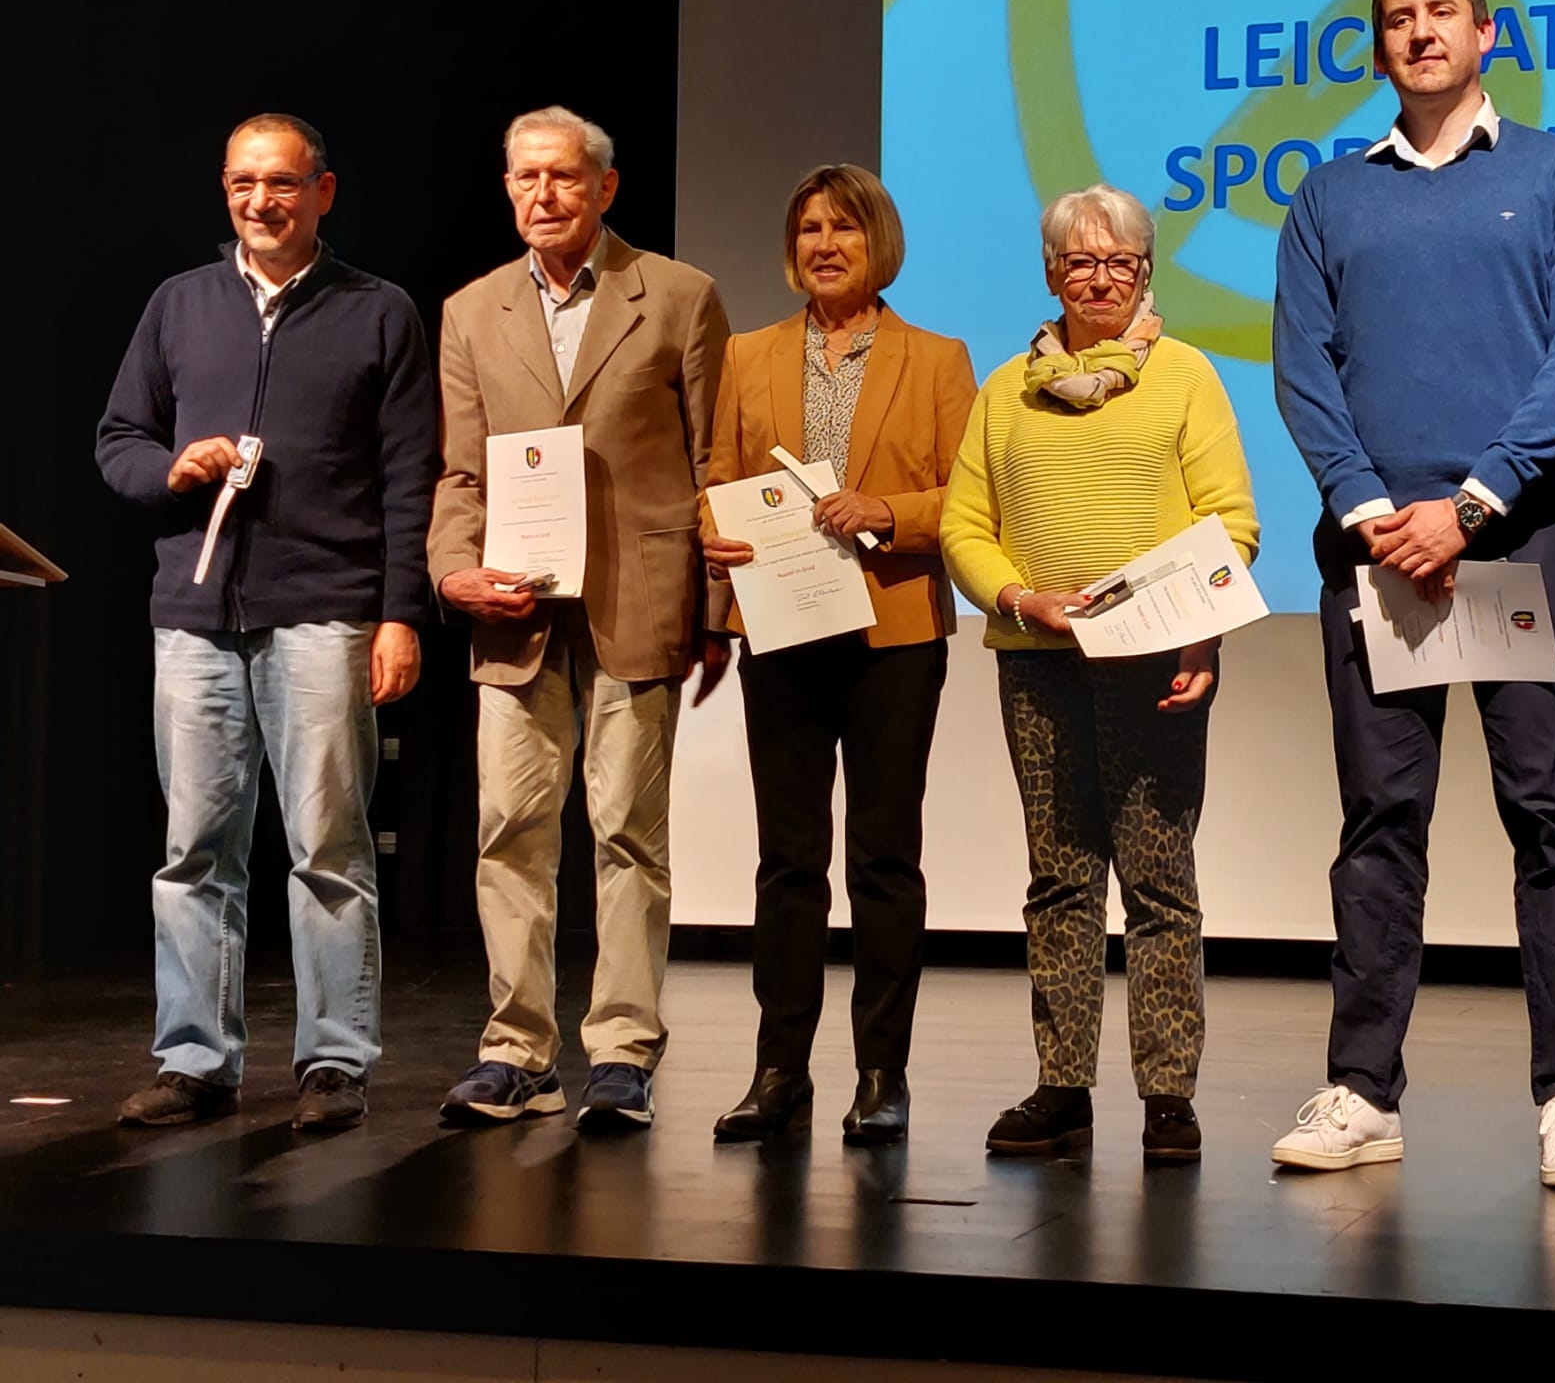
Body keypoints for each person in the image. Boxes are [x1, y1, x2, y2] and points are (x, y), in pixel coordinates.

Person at [1269, 0, 1555, 1189]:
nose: (1419, 31)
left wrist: (1469, 506)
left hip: (1517, 539)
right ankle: (1363, 1092)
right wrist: (1376, 512)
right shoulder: (1327, 197)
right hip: (1376, 555)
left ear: (1484, 33)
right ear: (1376, 46)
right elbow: (1303, 370)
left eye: (1440, 12)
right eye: (1396, 18)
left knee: (1547, 816)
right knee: (1379, 823)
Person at [96, 113, 436, 1131]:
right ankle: (197, 1061)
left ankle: (334, 1063)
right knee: (194, 849)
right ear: (224, 189)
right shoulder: (179, 303)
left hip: (325, 612)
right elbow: (118, 438)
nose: (261, 201)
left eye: (282, 183)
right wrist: (173, 469)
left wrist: (399, 615)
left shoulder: (378, 310)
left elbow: (410, 478)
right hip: (195, 617)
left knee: (328, 846)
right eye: (244, 183)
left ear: (322, 192)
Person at [941, 183, 1258, 1165]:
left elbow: (1230, 524)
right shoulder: (1004, 390)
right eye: (1079, 261)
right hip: (1039, 665)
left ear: (1144, 271)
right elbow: (963, 527)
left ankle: (1168, 1095)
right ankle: (1062, 1086)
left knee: (1159, 881)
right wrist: (1019, 600)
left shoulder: (1186, 377)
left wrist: (1201, 638)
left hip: (1153, 664)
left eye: (1119, 262)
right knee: (1059, 878)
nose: (1099, 278)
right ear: (1050, 274)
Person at [429, 106, 731, 1132]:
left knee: (627, 836)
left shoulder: (678, 294)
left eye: (562, 177)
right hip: (514, 615)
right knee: (508, 833)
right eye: (525, 177)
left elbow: (713, 464)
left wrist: (716, 612)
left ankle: (622, 1051)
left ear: (605, 187)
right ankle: (517, 1053)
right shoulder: (472, 310)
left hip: (636, 605)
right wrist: (453, 572)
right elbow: (461, 470)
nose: (542, 195)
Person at [699, 165, 976, 1147]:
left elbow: (969, 496)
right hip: (779, 631)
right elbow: (717, 479)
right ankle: (779, 1071)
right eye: (809, 228)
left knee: (883, 858)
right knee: (787, 860)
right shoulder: (747, 355)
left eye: (844, 229)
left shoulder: (936, 359)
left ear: (878, 243)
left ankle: (881, 1074)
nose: (824, 244)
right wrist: (714, 540)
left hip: (892, 634)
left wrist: (886, 512)